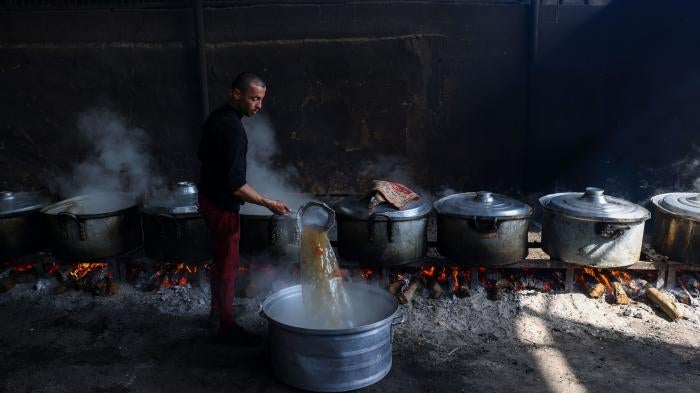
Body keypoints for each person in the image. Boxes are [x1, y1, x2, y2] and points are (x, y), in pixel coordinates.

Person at [197, 72, 290, 346]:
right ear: (235, 94)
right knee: (228, 265)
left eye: (261, 99)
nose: (259, 105)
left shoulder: (217, 118)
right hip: (222, 207)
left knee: (221, 259)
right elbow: (235, 185)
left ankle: (219, 310)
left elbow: (202, 156)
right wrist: (267, 202)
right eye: (253, 98)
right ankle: (225, 327)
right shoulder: (234, 131)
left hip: (207, 198)